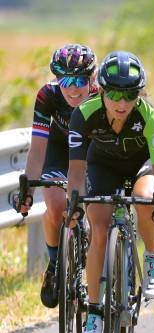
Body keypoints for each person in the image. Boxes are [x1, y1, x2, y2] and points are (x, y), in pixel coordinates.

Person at [67, 51, 154, 333]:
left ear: (139, 94)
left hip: (141, 167)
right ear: (101, 90)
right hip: (102, 167)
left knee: (145, 199)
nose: (122, 102)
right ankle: (94, 313)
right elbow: (76, 171)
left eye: (130, 94)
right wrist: (74, 204)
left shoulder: (149, 116)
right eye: (114, 93)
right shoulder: (84, 113)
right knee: (98, 231)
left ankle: (152, 258)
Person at [14, 44, 97, 309]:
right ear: (56, 80)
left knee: (97, 213)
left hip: (94, 153)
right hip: (59, 151)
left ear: (92, 79)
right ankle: (54, 264)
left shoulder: (102, 95)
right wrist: (28, 188)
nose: (74, 89)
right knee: (54, 204)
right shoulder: (47, 96)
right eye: (66, 81)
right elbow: (38, 150)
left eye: (81, 81)